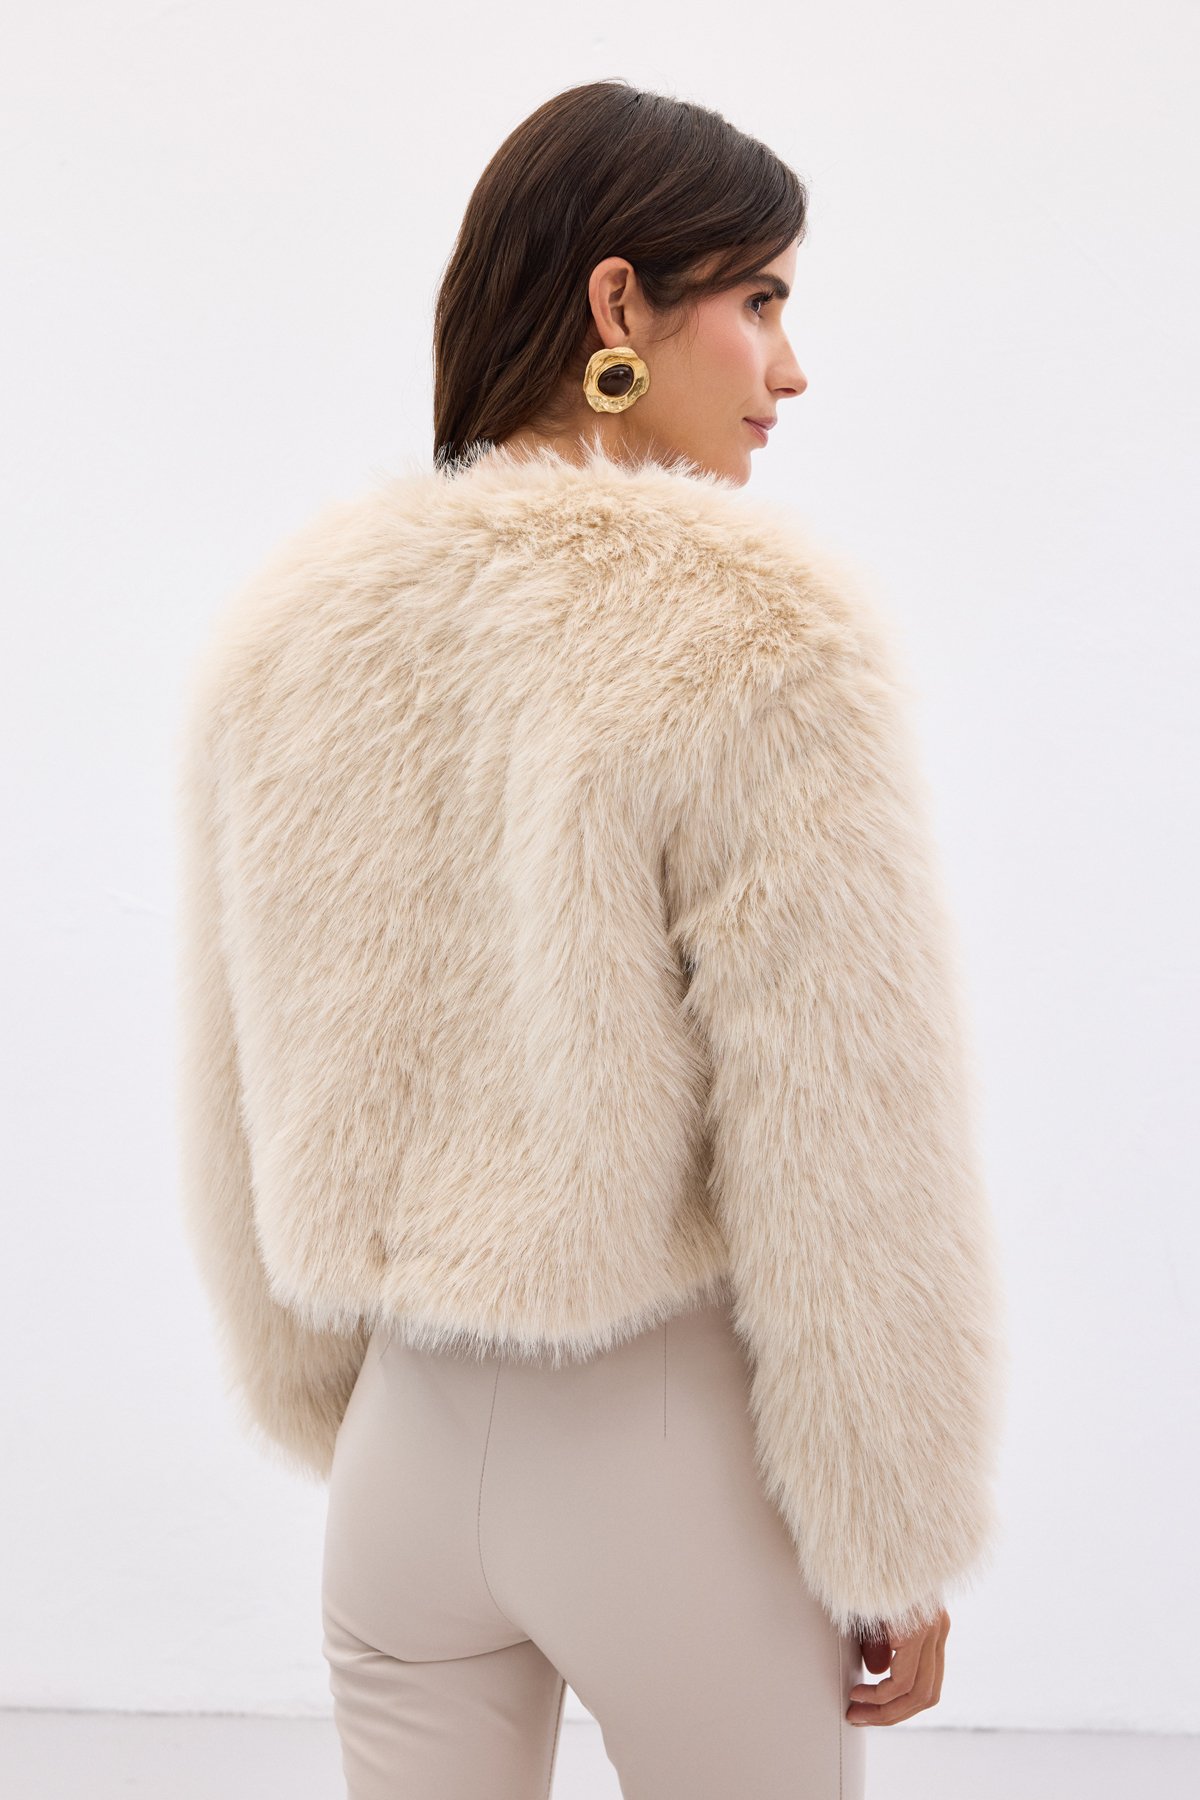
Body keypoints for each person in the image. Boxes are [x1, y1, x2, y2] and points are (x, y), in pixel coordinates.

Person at [174, 79, 1007, 1800]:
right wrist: (892, 1522)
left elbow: (236, 1068)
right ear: (619, 303)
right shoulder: (753, 632)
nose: (790, 368)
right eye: (760, 299)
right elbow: (845, 1125)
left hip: (401, 1468)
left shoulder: (290, 636)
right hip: (664, 1461)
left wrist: (324, 1384)